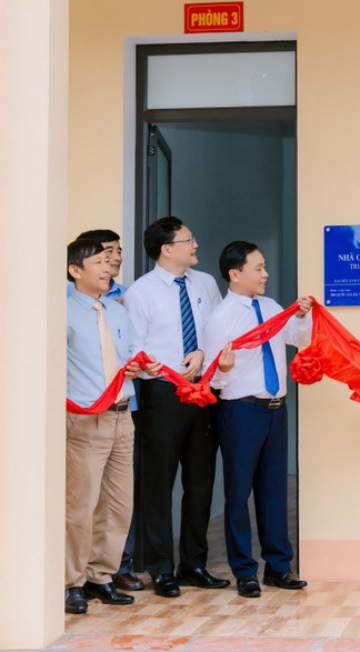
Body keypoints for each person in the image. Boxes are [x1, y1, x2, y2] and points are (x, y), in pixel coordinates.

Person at [202, 241, 313, 598]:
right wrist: (222, 368)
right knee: (238, 493)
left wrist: (300, 315)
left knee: (274, 491)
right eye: (258, 268)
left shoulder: (271, 307)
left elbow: (301, 339)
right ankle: (244, 571)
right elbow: (211, 377)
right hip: (240, 412)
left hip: (275, 410)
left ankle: (278, 568)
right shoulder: (220, 320)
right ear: (235, 274)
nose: (265, 274)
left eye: (264, 267)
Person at [124, 216, 226, 598]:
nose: (195, 244)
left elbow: (218, 331)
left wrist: (202, 351)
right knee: (158, 483)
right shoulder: (141, 292)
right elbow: (133, 346)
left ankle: (194, 563)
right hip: (162, 394)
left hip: (203, 391)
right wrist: (156, 365)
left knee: (200, 481)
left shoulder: (205, 284)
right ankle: (160, 569)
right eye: (188, 240)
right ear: (167, 248)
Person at [64, 239, 159, 614]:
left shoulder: (118, 313)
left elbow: (131, 354)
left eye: (110, 261)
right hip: (85, 419)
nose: (109, 267)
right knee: (80, 506)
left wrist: (138, 366)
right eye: (100, 262)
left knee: (118, 506)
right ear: (75, 270)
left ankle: (100, 576)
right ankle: (70, 582)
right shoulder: (61, 312)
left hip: (124, 416)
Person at [66, 229, 126, 302]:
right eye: (109, 251)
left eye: (119, 252)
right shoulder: (64, 294)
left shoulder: (127, 294)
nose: (118, 258)